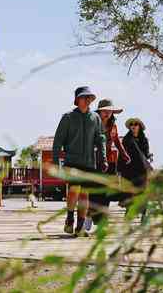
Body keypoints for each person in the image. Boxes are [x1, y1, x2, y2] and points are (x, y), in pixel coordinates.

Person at [52, 86, 107, 237]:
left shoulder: (95, 118)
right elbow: (58, 141)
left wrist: (103, 158)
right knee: (74, 189)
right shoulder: (68, 118)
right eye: (84, 97)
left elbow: (100, 139)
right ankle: (70, 219)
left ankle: (80, 227)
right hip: (72, 161)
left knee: (84, 195)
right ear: (77, 100)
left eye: (89, 97)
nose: (87, 100)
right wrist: (55, 162)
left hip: (89, 162)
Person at [87, 99, 131, 228]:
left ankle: (103, 219)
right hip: (95, 161)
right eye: (105, 111)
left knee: (107, 192)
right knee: (94, 191)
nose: (107, 113)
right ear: (99, 112)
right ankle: (90, 217)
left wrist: (124, 154)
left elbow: (117, 141)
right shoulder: (92, 123)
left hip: (110, 162)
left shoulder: (114, 126)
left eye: (110, 111)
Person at [118, 118, 152, 213]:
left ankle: (143, 214)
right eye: (131, 124)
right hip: (129, 170)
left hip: (141, 169)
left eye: (136, 124)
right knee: (129, 193)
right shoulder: (126, 139)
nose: (133, 125)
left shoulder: (144, 140)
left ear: (139, 126)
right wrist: (119, 168)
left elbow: (146, 154)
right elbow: (121, 154)